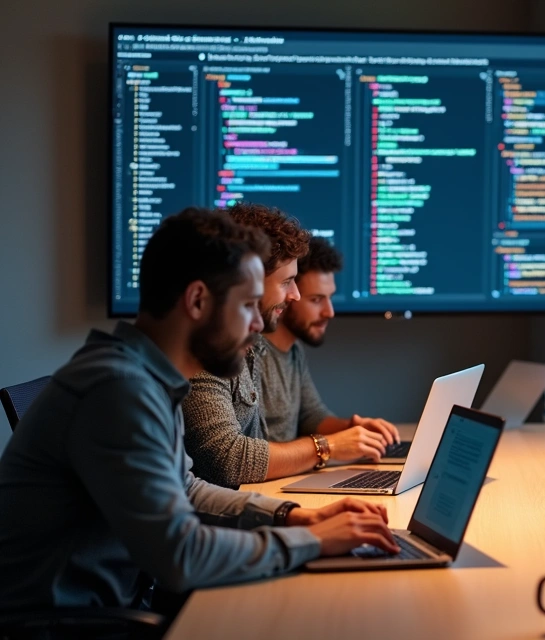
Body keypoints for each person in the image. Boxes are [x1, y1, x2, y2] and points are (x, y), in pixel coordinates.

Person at [0, 209, 399, 612]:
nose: (258, 326)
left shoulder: (143, 376)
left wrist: (293, 517)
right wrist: (313, 542)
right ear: (197, 301)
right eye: (246, 305)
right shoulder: (120, 389)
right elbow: (181, 555)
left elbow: (186, 489)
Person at [182, 204, 398, 488]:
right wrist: (326, 447)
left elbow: (307, 416)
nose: (295, 295)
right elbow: (228, 460)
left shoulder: (248, 346)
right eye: (287, 282)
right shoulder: (204, 354)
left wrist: (349, 433)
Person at [261, 236, 398, 443]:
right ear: (289, 293)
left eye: (330, 298)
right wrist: (329, 447)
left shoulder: (294, 350)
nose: (329, 312)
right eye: (316, 300)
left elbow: (311, 416)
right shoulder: (249, 353)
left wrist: (354, 429)